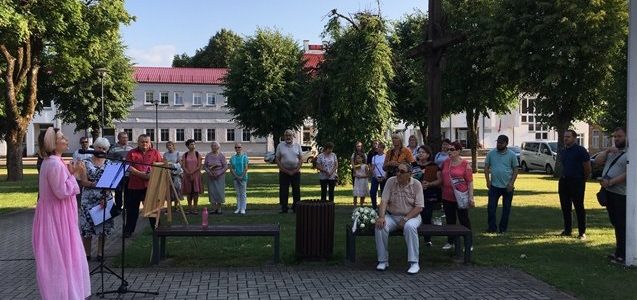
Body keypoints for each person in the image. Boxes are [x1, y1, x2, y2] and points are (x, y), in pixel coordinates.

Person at [33, 127, 91, 299]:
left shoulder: (55, 162)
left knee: (65, 256)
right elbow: (61, 192)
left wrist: (71, 173)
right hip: (57, 217)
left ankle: (69, 292)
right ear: (53, 142)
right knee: (61, 257)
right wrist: (76, 175)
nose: (66, 140)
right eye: (62, 137)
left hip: (59, 215)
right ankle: (64, 294)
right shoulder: (53, 164)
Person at [375, 163, 424, 274]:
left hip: (412, 216)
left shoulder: (416, 184)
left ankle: (414, 262)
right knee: (380, 226)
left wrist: (406, 219)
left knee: (410, 227)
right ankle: (383, 260)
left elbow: (419, 207)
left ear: (409, 174)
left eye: (402, 172)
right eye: (397, 170)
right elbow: (384, 201)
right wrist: (381, 217)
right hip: (393, 216)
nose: (398, 174)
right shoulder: (390, 181)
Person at [77, 137, 115, 261]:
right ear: (94, 147)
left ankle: (100, 253)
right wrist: (97, 184)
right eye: (99, 147)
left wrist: (105, 195)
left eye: (104, 148)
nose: (101, 150)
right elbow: (83, 182)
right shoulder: (85, 162)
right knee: (87, 228)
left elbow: (110, 183)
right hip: (88, 199)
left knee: (104, 228)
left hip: (105, 198)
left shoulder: (110, 163)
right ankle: (87, 254)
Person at [594, 127, 628, 263]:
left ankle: (623, 254)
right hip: (609, 192)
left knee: (621, 224)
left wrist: (611, 182)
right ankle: (618, 251)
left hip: (621, 194)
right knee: (615, 222)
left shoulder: (630, 153)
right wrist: (607, 150)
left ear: (627, 137)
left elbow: (629, 173)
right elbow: (597, 162)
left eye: (619, 136)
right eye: (615, 137)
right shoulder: (612, 152)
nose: (617, 139)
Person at [124, 134, 163, 238]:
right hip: (134, 185)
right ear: (138, 142)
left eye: (146, 142)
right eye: (142, 142)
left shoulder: (155, 153)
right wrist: (142, 175)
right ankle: (128, 231)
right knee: (132, 210)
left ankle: (157, 229)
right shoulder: (132, 153)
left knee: (152, 209)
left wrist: (151, 175)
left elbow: (161, 166)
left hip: (150, 185)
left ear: (150, 143)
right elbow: (128, 167)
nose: (144, 144)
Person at [440, 141, 474, 250]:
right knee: (450, 220)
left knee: (464, 219)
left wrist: (471, 197)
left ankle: (468, 243)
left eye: (452, 149)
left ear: (458, 151)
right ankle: (451, 242)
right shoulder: (446, 162)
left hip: (461, 196)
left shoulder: (465, 164)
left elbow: (470, 181)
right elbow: (442, 177)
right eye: (448, 149)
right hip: (447, 196)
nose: (449, 151)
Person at [558, 129, 591, 239]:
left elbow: (587, 167)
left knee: (579, 207)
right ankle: (568, 230)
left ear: (574, 138)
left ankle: (582, 232)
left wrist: (583, 180)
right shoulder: (563, 151)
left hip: (577, 181)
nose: (566, 138)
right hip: (564, 181)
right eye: (565, 137)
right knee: (565, 207)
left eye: (568, 137)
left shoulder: (581, 151)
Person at [484, 135, 519, 234]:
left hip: (507, 186)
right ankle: (492, 228)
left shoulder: (512, 155)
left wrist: (511, 184)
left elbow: (516, 169)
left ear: (506, 143)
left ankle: (503, 229)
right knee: (491, 208)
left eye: (501, 143)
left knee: (506, 209)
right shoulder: (491, 153)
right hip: (494, 186)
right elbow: (486, 168)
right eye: (498, 142)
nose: (498, 144)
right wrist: (488, 181)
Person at [413, 145, 441, 246]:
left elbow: (439, 180)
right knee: (414, 216)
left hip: (429, 194)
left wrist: (429, 184)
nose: (420, 154)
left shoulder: (434, 165)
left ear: (428, 154)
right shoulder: (413, 165)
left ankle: (427, 239)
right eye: (419, 152)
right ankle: (414, 237)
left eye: (423, 152)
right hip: (414, 194)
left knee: (427, 216)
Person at [276, 129, 302, 213]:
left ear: (292, 136)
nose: (288, 137)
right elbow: (277, 159)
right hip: (284, 172)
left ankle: (296, 207)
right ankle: (284, 208)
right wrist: (284, 170)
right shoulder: (280, 145)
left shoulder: (297, 145)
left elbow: (301, 159)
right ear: (284, 136)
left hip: (296, 172)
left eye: (290, 135)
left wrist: (296, 170)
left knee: (296, 190)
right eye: (286, 135)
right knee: (284, 190)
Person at [108, 131, 134, 210]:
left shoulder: (131, 148)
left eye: (126, 137)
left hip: (128, 173)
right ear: (118, 138)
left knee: (128, 191)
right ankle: (118, 207)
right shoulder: (113, 148)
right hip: (118, 173)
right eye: (123, 137)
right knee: (118, 191)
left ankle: (126, 206)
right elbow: (109, 160)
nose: (125, 139)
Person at [204, 141, 227, 214]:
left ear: (218, 147)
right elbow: (205, 166)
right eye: (212, 146)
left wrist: (219, 173)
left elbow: (225, 166)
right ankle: (214, 208)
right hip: (211, 176)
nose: (214, 147)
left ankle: (219, 208)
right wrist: (209, 172)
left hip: (220, 176)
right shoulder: (208, 155)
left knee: (219, 192)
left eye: (215, 146)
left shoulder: (221, 156)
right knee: (212, 192)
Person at [182, 139, 203, 214]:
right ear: (187, 146)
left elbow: (199, 165)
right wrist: (188, 172)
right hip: (187, 176)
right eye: (191, 144)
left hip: (196, 176)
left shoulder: (197, 154)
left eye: (194, 144)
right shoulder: (185, 155)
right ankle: (189, 208)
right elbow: (183, 166)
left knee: (195, 192)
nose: (193, 146)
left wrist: (192, 172)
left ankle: (195, 208)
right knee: (189, 192)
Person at [229, 142, 250, 214]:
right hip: (235, 178)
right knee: (238, 193)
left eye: (239, 147)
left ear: (241, 148)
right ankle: (238, 207)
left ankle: (243, 208)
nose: (237, 149)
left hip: (243, 178)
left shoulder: (245, 157)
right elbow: (231, 169)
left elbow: (246, 168)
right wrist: (236, 176)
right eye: (236, 147)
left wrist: (241, 176)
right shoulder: (232, 158)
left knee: (243, 193)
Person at [72, 136, 92, 207]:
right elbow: (74, 164)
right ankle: (78, 207)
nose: (84, 143)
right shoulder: (76, 153)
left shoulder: (92, 151)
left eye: (86, 142)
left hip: (90, 175)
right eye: (83, 142)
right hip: (80, 176)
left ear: (88, 143)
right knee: (79, 192)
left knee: (89, 192)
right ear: (80, 143)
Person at [164, 141, 183, 210]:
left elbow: (180, 163)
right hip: (168, 173)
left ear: (173, 146)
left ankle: (176, 206)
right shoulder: (165, 154)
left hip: (176, 173)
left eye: (170, 145)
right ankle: (169, 207)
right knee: (169, 190)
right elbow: (164, 163)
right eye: (168, 145)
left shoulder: (177, 153)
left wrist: (175, 168)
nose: (169, 147)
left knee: (176, 189)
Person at [370, 142, 387, 210]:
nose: (379, 149)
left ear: (383, 148)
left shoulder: (386, 156)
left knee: (384, 193)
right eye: (378, 147)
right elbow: (373, 168)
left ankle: (383, 207)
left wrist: (384, 176)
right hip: (375, 177)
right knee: (372, 192)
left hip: (384, 177)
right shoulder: (374, 157)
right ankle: (374, 206)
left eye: (380, 147)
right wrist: (375, 176)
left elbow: (387, 168)